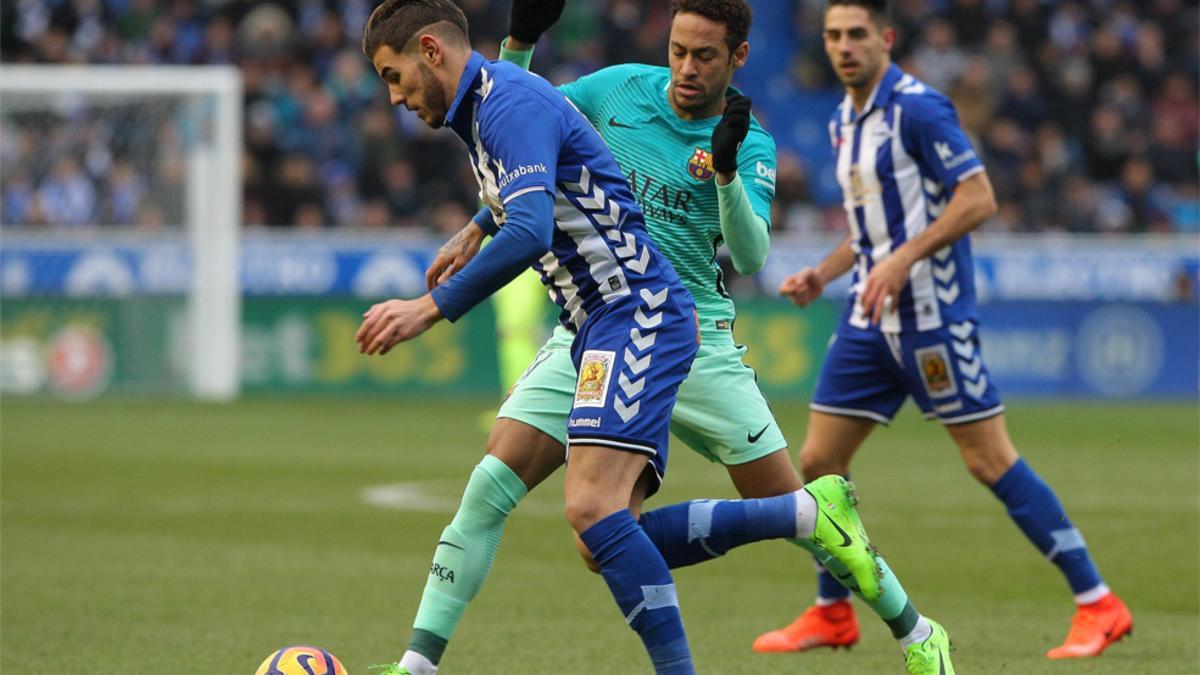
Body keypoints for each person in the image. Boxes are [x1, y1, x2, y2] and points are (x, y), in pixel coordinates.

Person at [392, 1, 953, 674]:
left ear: (738, 58)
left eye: (705, 56)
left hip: (693, 337)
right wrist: (483, 221)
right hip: (594, 325)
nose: (686, 68)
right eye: (678, 50)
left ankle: (917, 630)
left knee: (787, 506)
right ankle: (417, 663)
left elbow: (747, 256)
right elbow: (525, 133)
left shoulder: (751, 143)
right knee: (526, 501)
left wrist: (722, 176)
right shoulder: (617, 89)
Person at [772, 0, 1132, 661]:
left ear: (885, 38)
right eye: (833, 36)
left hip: (932, 321)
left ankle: (1098, 602)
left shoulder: (920, 108)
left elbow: (978, 197)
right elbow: (871, 230)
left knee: (988, 459)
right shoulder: (842, 121)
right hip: (866, 318)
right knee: (820, 462)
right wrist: (822, 274)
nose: (845, 46)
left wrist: (906, 258)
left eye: (857, 34)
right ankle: (831, 610)